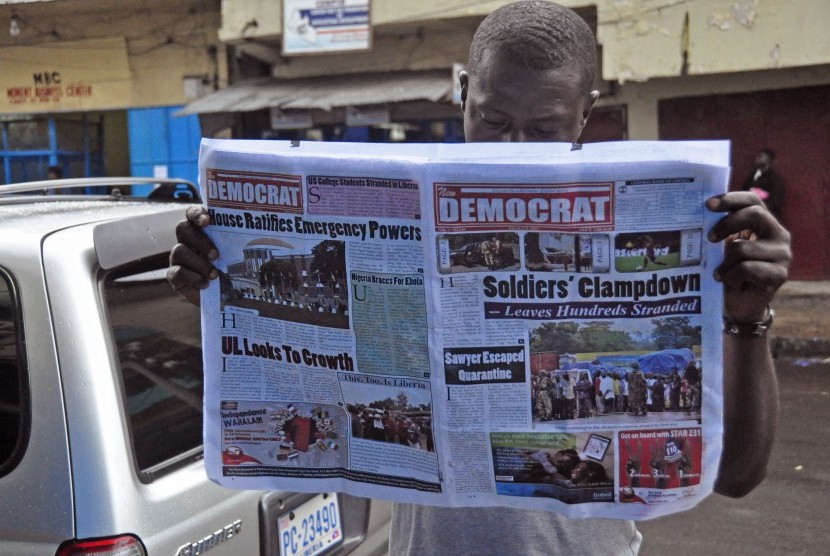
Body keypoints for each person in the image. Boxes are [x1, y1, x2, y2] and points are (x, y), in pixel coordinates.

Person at [168, 1, 791, 553]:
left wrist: (748, 317)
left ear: (584, 113)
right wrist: (221, 287)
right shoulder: (414, 203)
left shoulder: (668, 224)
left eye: (543, 129)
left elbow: (738, 477)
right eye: (493, 120)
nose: (514, 146)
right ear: (464, 92)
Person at [742, 148, 784, 220]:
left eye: (760, 156)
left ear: (768, 160)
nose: (757, 158)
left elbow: (775, 201)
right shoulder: (751, 177)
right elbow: (742, 193)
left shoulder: (775, 179)